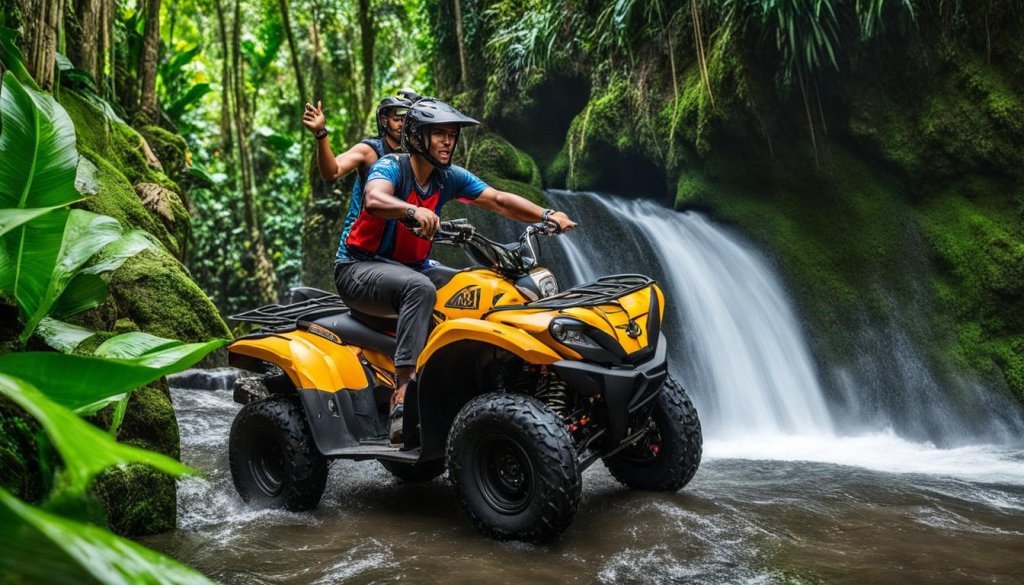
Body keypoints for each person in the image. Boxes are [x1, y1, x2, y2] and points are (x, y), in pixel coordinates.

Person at [335, 98, 577, 444]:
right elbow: (374, 199)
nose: (448, 142)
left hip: (412, 267)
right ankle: (404, 392)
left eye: (451, 135)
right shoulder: (391, 167)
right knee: (419, 289)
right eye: (439, 135)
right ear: (418, 137)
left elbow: (498, 199)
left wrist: (546, 215)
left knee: (474, 287)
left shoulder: (447, 177)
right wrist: (410, 211)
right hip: (358, 269)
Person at [302, 94, 413, 262]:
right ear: (384, 121)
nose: (402, 124)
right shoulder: (369, 151)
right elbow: (332, 171)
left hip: (395, 248)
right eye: (397, 118)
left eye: (406, 119)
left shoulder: (414, 156)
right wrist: (320, 133)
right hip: (359, 248)